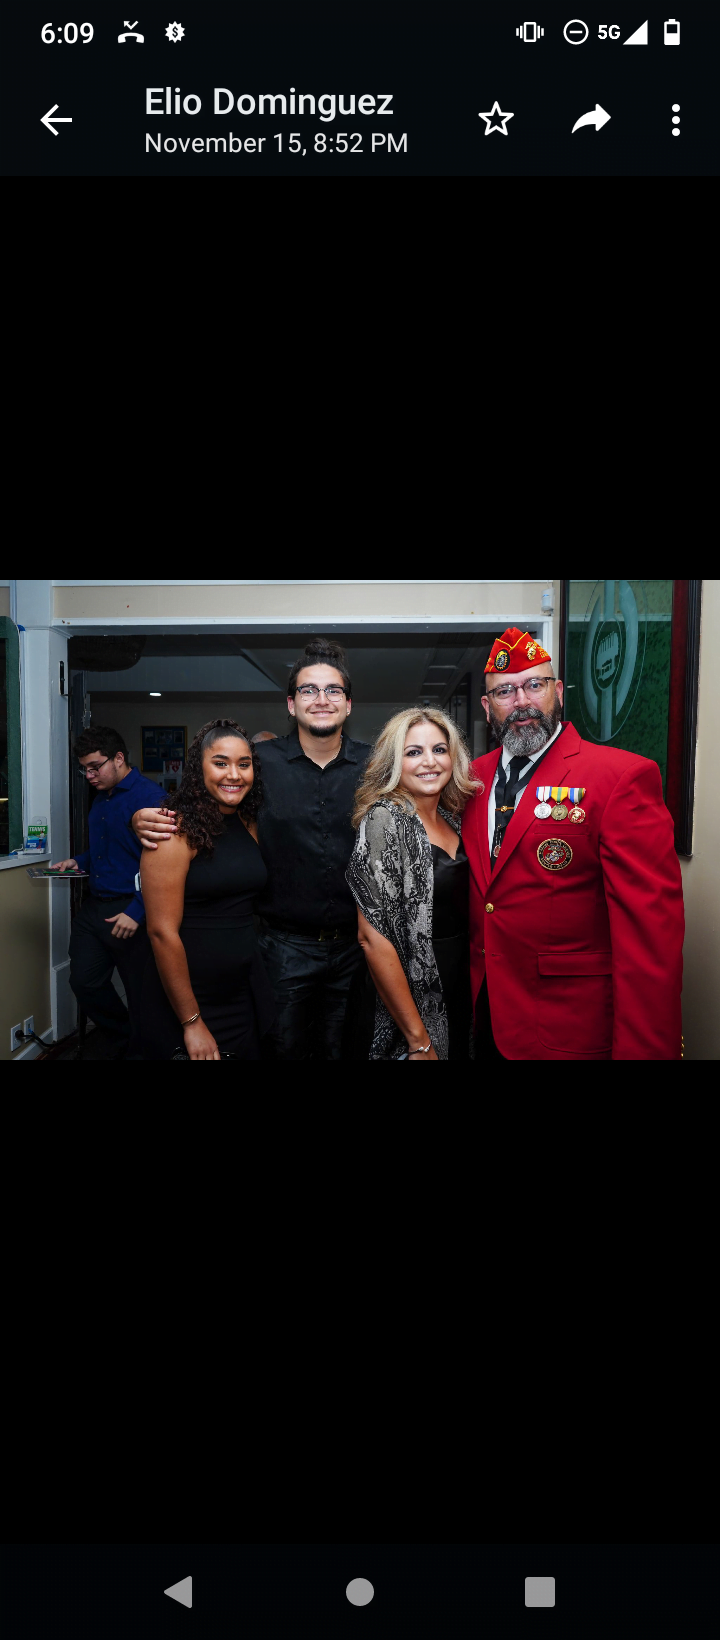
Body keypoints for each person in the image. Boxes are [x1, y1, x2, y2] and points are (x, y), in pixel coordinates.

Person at [132, 639, 372, 1060]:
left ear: (348, 704)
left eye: (333, 690)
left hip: (357, 948)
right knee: (280, 1049)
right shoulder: (256, 763)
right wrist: (139, 817)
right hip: (281, 949)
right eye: (308, 690)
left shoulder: (377, 766)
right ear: (291, 704)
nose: (321, 699)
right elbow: (207, 802)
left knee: (346, 1049)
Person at [462, 626, 685, 1060]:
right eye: (505, 691)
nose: (522, 701)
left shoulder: (620, 778)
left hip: (569, 1028)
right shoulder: (469, 778)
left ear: (558, 692)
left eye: (535, 685)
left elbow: (649, 939)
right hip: (485, 1017)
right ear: (487, 708)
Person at [344, 708, 480, 1061]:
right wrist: (417, 1039)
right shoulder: (384, 819)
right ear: (394, 762)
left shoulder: (454, 819)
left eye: (439, 749)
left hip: (457, 979)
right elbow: (372, 938)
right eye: (413, 752)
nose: (429, 762)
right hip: (403, 995)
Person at [138, 719, 275, 1060]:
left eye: (244, 764)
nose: (234, 775)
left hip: (241, 990)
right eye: (220, 763)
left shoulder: (248, 822)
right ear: (198, 770)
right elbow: (161, 933)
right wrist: (192, 1021)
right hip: (189, 998)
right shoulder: (173, 832)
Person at [51, 726, 165, 1058]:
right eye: (84, 769)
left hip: (133, 910)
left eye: (94, 767)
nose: (89, 775)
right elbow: (111, 848)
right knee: (84, 982)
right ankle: (124, 1039)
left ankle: (143, 1049)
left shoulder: (151, 798)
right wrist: (78, 861)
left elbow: (164, 864)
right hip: (95, 908)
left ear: (118, 758)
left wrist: (138, 911)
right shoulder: (101, 797)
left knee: (144, 996)